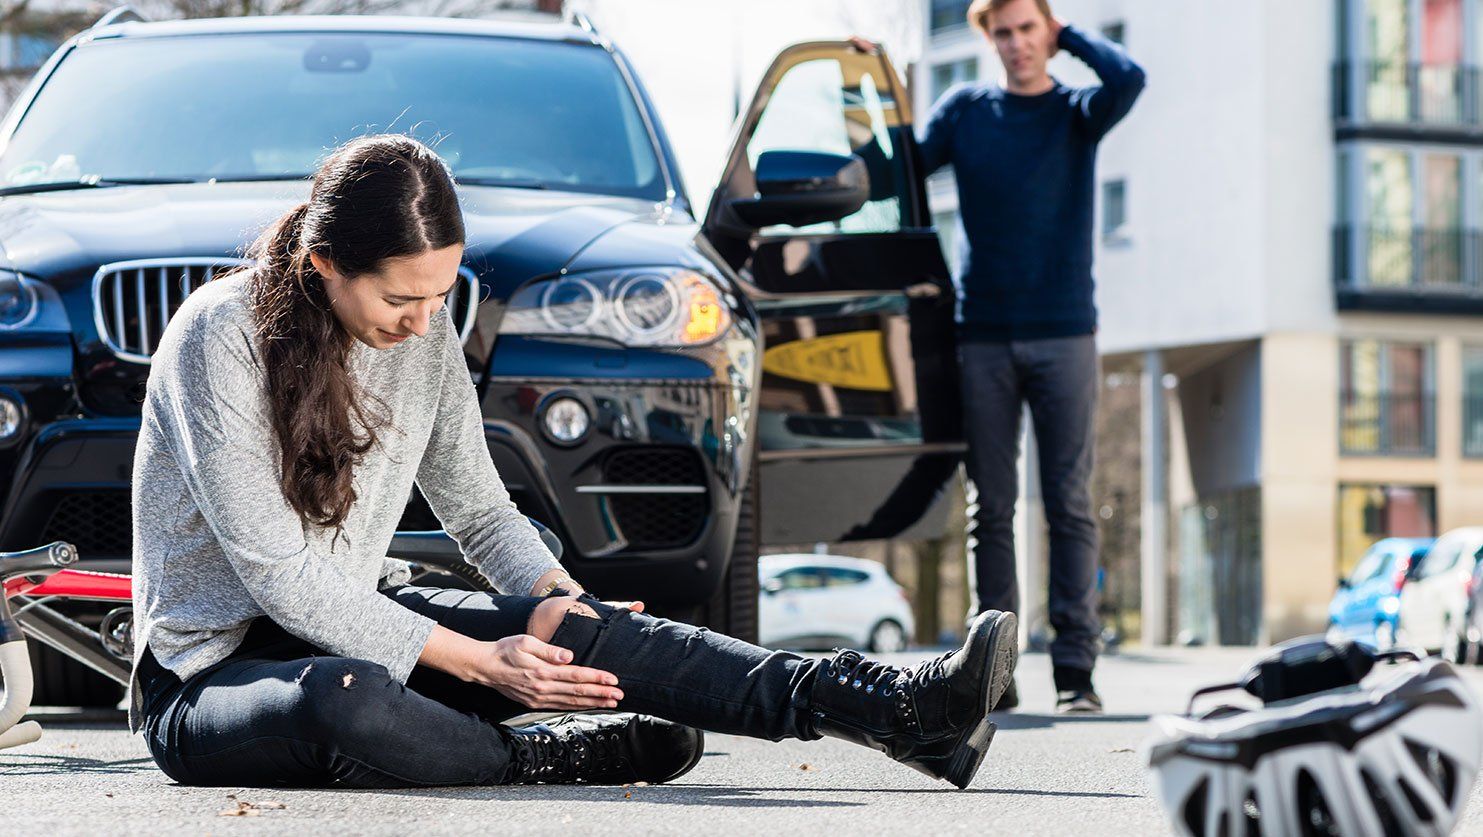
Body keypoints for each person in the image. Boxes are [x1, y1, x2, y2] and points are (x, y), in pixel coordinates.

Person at [128, 134, 1020, 790]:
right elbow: (279, 576)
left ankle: (891, 709)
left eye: (442, 293)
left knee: (566, 625)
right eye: (401, 297)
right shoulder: (220, 335)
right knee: (342, 695)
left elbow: (479, 512)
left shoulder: (424, 330)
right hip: (211, 678)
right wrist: (482, 663)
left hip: (357, 615)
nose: (423, 319)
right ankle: (535, 754)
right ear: (324, 262)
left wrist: (564, 602)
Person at [915, 0, 1146, 714]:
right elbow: (901, 165)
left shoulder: (1078, 112)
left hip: (1064, 334)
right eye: (1003, 32)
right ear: (988, 40)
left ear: (1046, 32)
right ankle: (995, 669)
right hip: (981, 333)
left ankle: (1076, 672)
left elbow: (1129, 77)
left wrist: (1066, 33)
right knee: (991, 507)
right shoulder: (965, 112)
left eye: (1028, 29)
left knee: (1070, 503)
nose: (1016, 44)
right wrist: (861, 85)